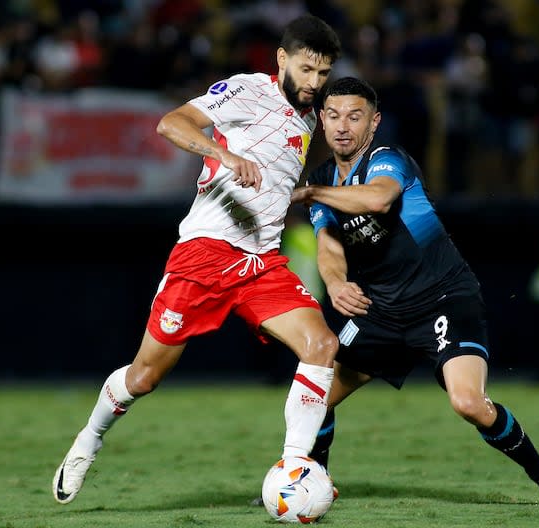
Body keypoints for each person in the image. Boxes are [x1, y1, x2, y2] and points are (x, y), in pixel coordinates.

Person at [52, 14, 342, 505]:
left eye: (323, 73)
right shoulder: (248, 90)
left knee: (321, 346)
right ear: (281, 60)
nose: (314, 82)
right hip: (205, 254)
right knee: (144, 377)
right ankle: (89, 439)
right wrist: (221, 154)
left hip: (261, 264)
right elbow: (172, 123)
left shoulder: (312, 116)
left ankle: (295, 467)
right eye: (307, 69)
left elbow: (283, 165)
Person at [291, 76, 539, 507]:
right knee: (313, 393)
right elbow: (329, 245)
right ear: (321, 120)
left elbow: (377, 200)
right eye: (332, 116)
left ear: (374, 123)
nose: (342, 126)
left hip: (442, 298)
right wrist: (334, 282)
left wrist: (312, 192)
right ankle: (309, 482)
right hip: (381, 310)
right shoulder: (323, 178)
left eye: (355, 116)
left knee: (468, 403)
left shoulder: (387, 159)